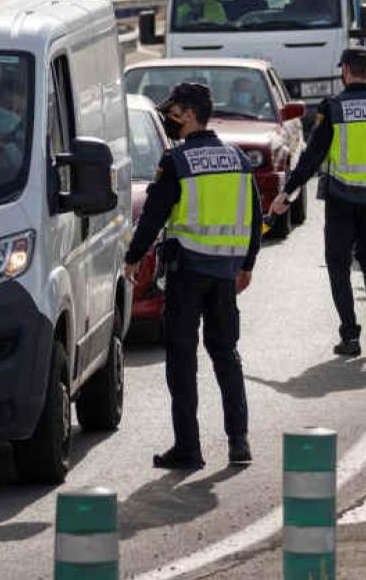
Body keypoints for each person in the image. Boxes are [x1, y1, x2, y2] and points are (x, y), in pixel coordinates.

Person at [124, 83, 262, 470]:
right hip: (224, 276)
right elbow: (255, 216)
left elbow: (153, 214)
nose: (169, 118)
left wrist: (133, 258)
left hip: (187, 274)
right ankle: (239, 443)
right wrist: (248, 264)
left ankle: (189, 448)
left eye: (173, 112)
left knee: (182, 361)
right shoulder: (236, 157)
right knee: (226, 356)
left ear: (188, 114)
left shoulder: (177, 161)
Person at [271, 47, 366, 356]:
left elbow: (311, 157)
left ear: (346, 71)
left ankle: (350, 335)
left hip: (342, 198)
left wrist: (288, 193)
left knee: (338, 265)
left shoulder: (335, 109)